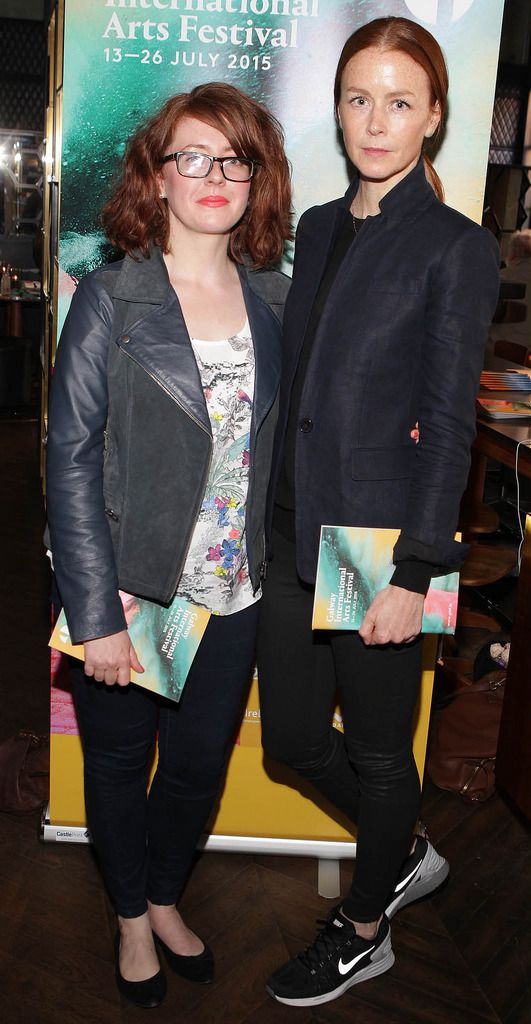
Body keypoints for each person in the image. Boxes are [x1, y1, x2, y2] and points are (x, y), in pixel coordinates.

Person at [257, 16, 500, 1008]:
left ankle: (365, 929)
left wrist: (417, 570)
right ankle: (397, 855)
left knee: (375, 749)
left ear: (433, 117)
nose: (375, 119)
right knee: (294, 744)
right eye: (359, 96)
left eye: (400, 101)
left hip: (377, 539)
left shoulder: (456, 248)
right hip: (288, 528)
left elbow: (449, 426)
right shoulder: (317, 226)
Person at [46, 82, 291, 1009]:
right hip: (133, 590)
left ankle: (162, 895)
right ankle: (127, 918)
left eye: (233, 157)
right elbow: (66, 459)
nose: (213, 175)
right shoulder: (110, 298)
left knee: (196, 770)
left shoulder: (276, 297)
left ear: (255, 176)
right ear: (155, 178)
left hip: (233, 593)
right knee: (116, 765)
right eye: (190, 156)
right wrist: (95, 611)